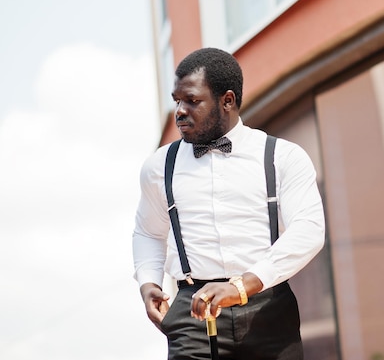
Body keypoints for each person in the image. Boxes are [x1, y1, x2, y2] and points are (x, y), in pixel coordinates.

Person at [132, 47, 326, 360]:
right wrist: (149, 282)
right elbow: (148, 233)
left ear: (228, 100)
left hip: (267, 309)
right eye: (176, 101)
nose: (180, 111)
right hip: (192, 312)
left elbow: (309, 229)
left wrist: (241, 287)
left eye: (192, 101)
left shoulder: (282, 157)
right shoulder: (158, 167)